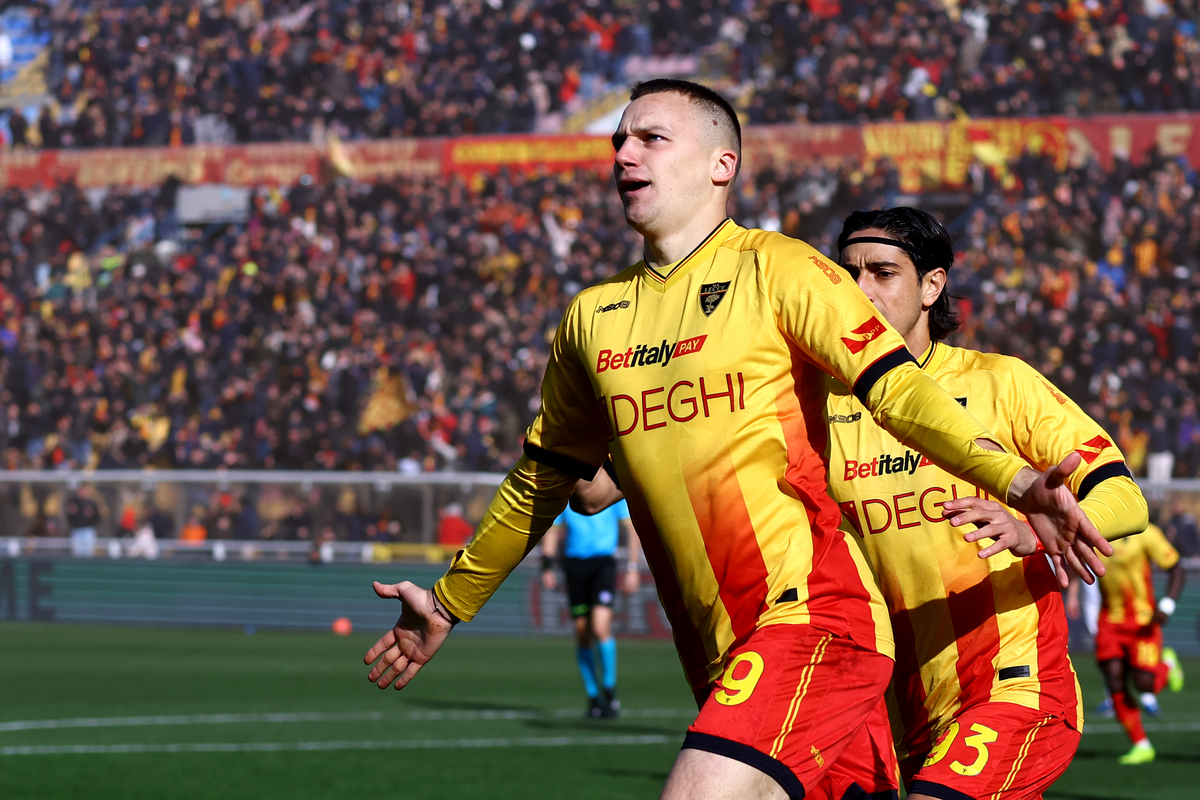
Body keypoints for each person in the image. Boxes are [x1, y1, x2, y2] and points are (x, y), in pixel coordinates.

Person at [365, 79, 1110, 800]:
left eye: (652, 138)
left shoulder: (782, 269)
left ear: (723, 165)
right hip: (719, 654)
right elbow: (547, 479)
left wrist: (1014, 483)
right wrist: (449, 602)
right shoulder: (592, 318)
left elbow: (899, 389)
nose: (624, 153)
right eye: (620, 139)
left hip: (814, 621)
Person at [825, 207, 1148, 799]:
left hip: (1014, 685)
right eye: (848, 274)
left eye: (882, 272)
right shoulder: (816, 405)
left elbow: (1124, 496)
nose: (861, 289)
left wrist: (1035, 527)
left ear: (932, 285)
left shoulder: (1002, 383)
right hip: (897, 707)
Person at [1067, 521, 1186, 765]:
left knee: (1145, 684)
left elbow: (1176, 568)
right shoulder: (1092, 531)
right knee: (1113, 679)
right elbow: (1075, 562)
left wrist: (1167, 605)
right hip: (1109, 620)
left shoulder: (1146, 533)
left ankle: (1168, 665)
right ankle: (1141, 744)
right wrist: (1072, 594)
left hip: (1142, 621)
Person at [541, 473, 641, 718]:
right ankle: (593, 696)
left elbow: (631, 529)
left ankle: (609, 688)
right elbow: (552, 530)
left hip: (603, 565)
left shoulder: (611, 490)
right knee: (582, 632)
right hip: (574, 566)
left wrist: (632, 567)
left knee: (600, 626)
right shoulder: (567, 491)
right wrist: (547, 565)